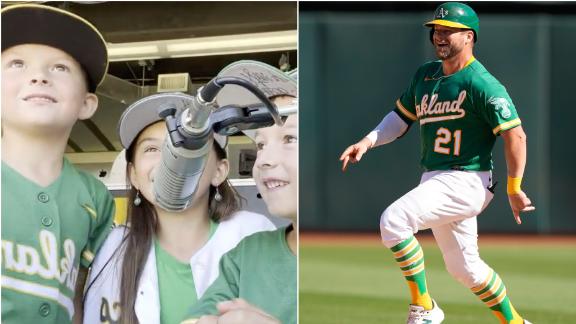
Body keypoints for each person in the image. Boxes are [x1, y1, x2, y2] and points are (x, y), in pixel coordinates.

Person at [339, 3, 534, 324]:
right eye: (436, 30)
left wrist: (515, 187)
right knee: (465, 269)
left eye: (447, 31)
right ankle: (515, 322)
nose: (439, 36)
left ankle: (424, 307)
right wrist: (368, 141)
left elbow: (517, 136)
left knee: (394, 221)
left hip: (467, 180)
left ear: (469, 36)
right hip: (435, 179)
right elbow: (400, 119)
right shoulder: (425, 75)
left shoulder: (481, 83)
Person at [82, 92, 277, 324]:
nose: (170, 159)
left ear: (220, 170)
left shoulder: (253, 235)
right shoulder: (112, 248)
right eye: (151, 149)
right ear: (133, 175)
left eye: (188, 145)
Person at [1, 4, 114, 324]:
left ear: (86, 103)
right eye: (17, 63)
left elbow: (79, 295)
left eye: (60, 68)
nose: (38, 76)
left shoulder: (94, 196)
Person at [180, 61, 298, 324]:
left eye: (290, 139)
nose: (265, 160)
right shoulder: (248, 254)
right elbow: (200, 316)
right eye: (261, 144)